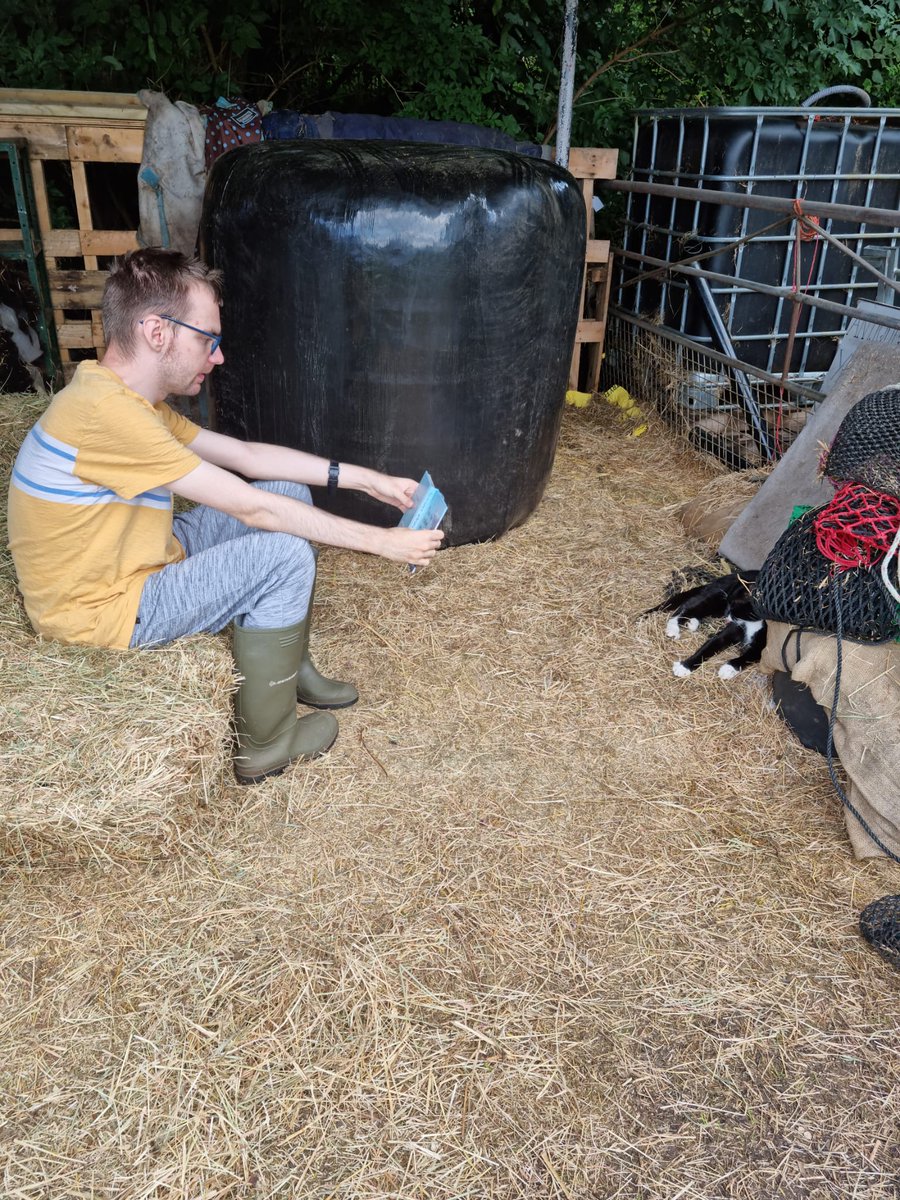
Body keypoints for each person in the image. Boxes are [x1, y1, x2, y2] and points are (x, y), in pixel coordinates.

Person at [7, 247, 444, 784]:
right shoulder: (106, 415)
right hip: (104, 610)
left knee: (284, 486)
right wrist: (382, 542)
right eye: (206, 339)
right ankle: (266, 745)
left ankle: (287, 670)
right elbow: (250, 507)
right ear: (156, 331)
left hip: (138, 556)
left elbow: (248, 459)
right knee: (282, 554)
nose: (216, 357)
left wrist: (367, 479)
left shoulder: (123, 399)